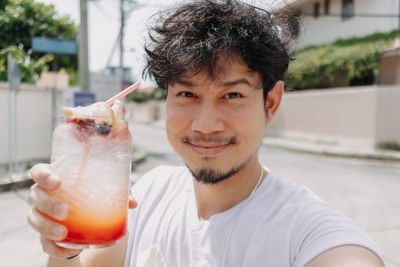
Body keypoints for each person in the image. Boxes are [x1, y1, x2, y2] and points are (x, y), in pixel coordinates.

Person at [27, 0, 385, 266]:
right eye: (187, 94)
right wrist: (66, 247)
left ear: (271, 103)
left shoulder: (306, 230)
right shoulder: (148, 196)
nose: (205, 124)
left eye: (232, 95)